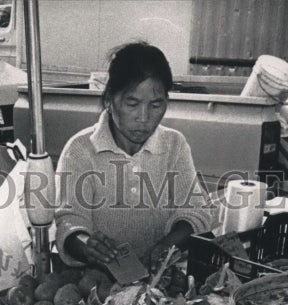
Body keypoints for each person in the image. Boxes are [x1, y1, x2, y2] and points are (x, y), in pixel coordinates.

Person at [54, 42, 214, 273]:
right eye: (132, 103)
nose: (144, 117)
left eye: (156, 104)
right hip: (97, 282)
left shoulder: (174, 145)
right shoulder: (80, 150)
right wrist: (87, 245)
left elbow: (195, 212)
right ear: (110, 100)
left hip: (160, 277)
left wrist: (165, 247)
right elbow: (69, 221)